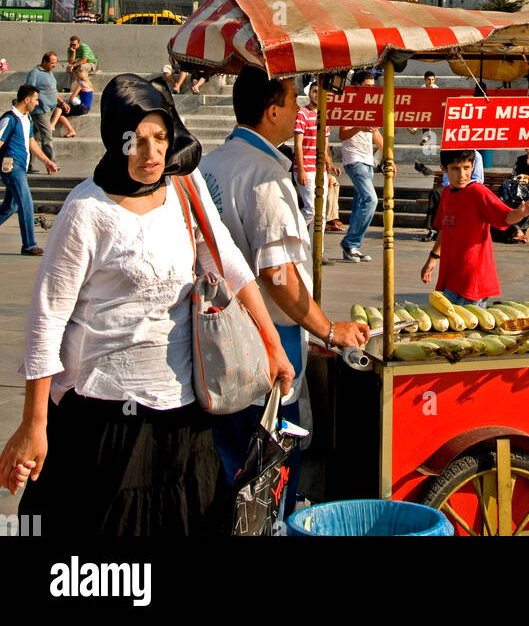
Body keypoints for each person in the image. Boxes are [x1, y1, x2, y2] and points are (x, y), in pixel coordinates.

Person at [0, 73, 295, 535]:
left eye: (160, 138)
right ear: (115, 140)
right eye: (136, 140)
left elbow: (229, 263)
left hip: (182, 417)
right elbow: (46, 321)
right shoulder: (86, 210)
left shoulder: (185, 187)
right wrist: (34, 424)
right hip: (105, 419)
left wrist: (272, 343)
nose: (151, 153)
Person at [200, 66, 369, 511]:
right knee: (266, 488)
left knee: (227, 475)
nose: (299, 109)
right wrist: (328, 329)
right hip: (266, 352)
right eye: (293, 100)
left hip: (216, 348)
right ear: (272, 111)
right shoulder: (265, 177)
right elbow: (277, 275)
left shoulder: (210, 165)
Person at [420, 148, 529, 306]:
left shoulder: (478, 192)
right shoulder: (447, 193)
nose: (462, 175)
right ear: (444, 169)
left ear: (473, 166)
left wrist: (520, 213)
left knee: (469, 320)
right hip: (450, 278)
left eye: (466, 168)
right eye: (455, 169)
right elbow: (444, 229)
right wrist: (432, 258)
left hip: (473, 281)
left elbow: (505, 217)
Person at [0, 84, 58, 256]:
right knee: (25, 202)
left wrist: (46, 161)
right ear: (26, 99)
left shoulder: (27, 119)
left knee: (10, 207)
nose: (37, 103)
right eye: (35, 99)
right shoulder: (10, 119)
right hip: (12, 167)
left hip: (21, 167)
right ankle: (29, 245)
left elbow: (31, 142)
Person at [338, 69, 384, 262]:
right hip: (354, 158)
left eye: (373, 86)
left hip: (368, 160)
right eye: (367, 86)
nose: (371, 90)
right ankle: (350, 242)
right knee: (370, 200)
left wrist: (388, 155)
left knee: (359, 204)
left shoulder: (371, 105)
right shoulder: (349, 103)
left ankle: (353, 247)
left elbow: (375, 133)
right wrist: (358, 127)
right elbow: (342, 134)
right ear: (356, 86)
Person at [293, 80, 331, 227]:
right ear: (309, 94)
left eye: (320, 92)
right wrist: (301, 170)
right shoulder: (302, 114)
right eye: (315, 92)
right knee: (311, 210)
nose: (317, 95)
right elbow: (298, 143)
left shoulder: (324, 115)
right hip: (306, 168)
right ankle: (293, 232)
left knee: (321, 212)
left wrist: (328, 171)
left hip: (320, 169)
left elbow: (326, 147)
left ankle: (314, 243)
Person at [25, 53, 61, 164]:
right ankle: (51, 163)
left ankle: (30, 164)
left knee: (34, 138)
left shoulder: (49, 73)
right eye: (52, 63)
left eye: (55, 63)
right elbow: (29, 90)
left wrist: (61, 102)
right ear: (45, 62)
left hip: (49, 110)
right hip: (40, 111)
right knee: (47, 137)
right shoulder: (35, 73)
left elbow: (52, 90)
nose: (54, 65)